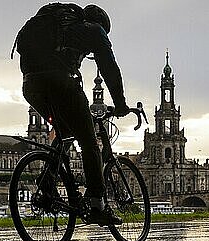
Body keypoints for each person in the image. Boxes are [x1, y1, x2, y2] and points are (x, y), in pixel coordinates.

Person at [17, 4, 130, 226]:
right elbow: (109, 67)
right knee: (89, 143)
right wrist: (120, 103)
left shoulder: (58, 25)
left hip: (30, 86)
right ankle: (98, 205)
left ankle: (48, 182)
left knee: (65, 130)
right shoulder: (95, 31)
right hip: (62, 83)